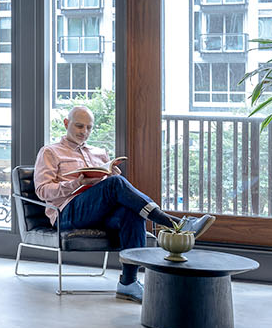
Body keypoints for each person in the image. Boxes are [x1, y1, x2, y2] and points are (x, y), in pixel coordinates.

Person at [34, 105, 215, 303]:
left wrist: (109, 174)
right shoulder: (50, 152)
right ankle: (174, 223)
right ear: (66, 123)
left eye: (89, 128)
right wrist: (78, 182)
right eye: (79, 126)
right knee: (116, 184)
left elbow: (109, 186)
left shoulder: (98, 152)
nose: (84, 132)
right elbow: (43, 191)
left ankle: (128, 282)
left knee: (132, 211)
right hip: (68, 213)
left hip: (99, 212)